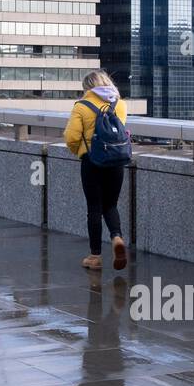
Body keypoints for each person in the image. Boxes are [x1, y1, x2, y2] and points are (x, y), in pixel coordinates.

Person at [64, 70, 131, 271]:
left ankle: (95, 256)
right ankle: (117, 237)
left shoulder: (81, 106)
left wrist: (82, 152)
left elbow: (71, 137)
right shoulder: (120, 104)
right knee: (111, 205)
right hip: (116, 161)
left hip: (92, 162)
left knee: (94, 208)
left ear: (87, 87)